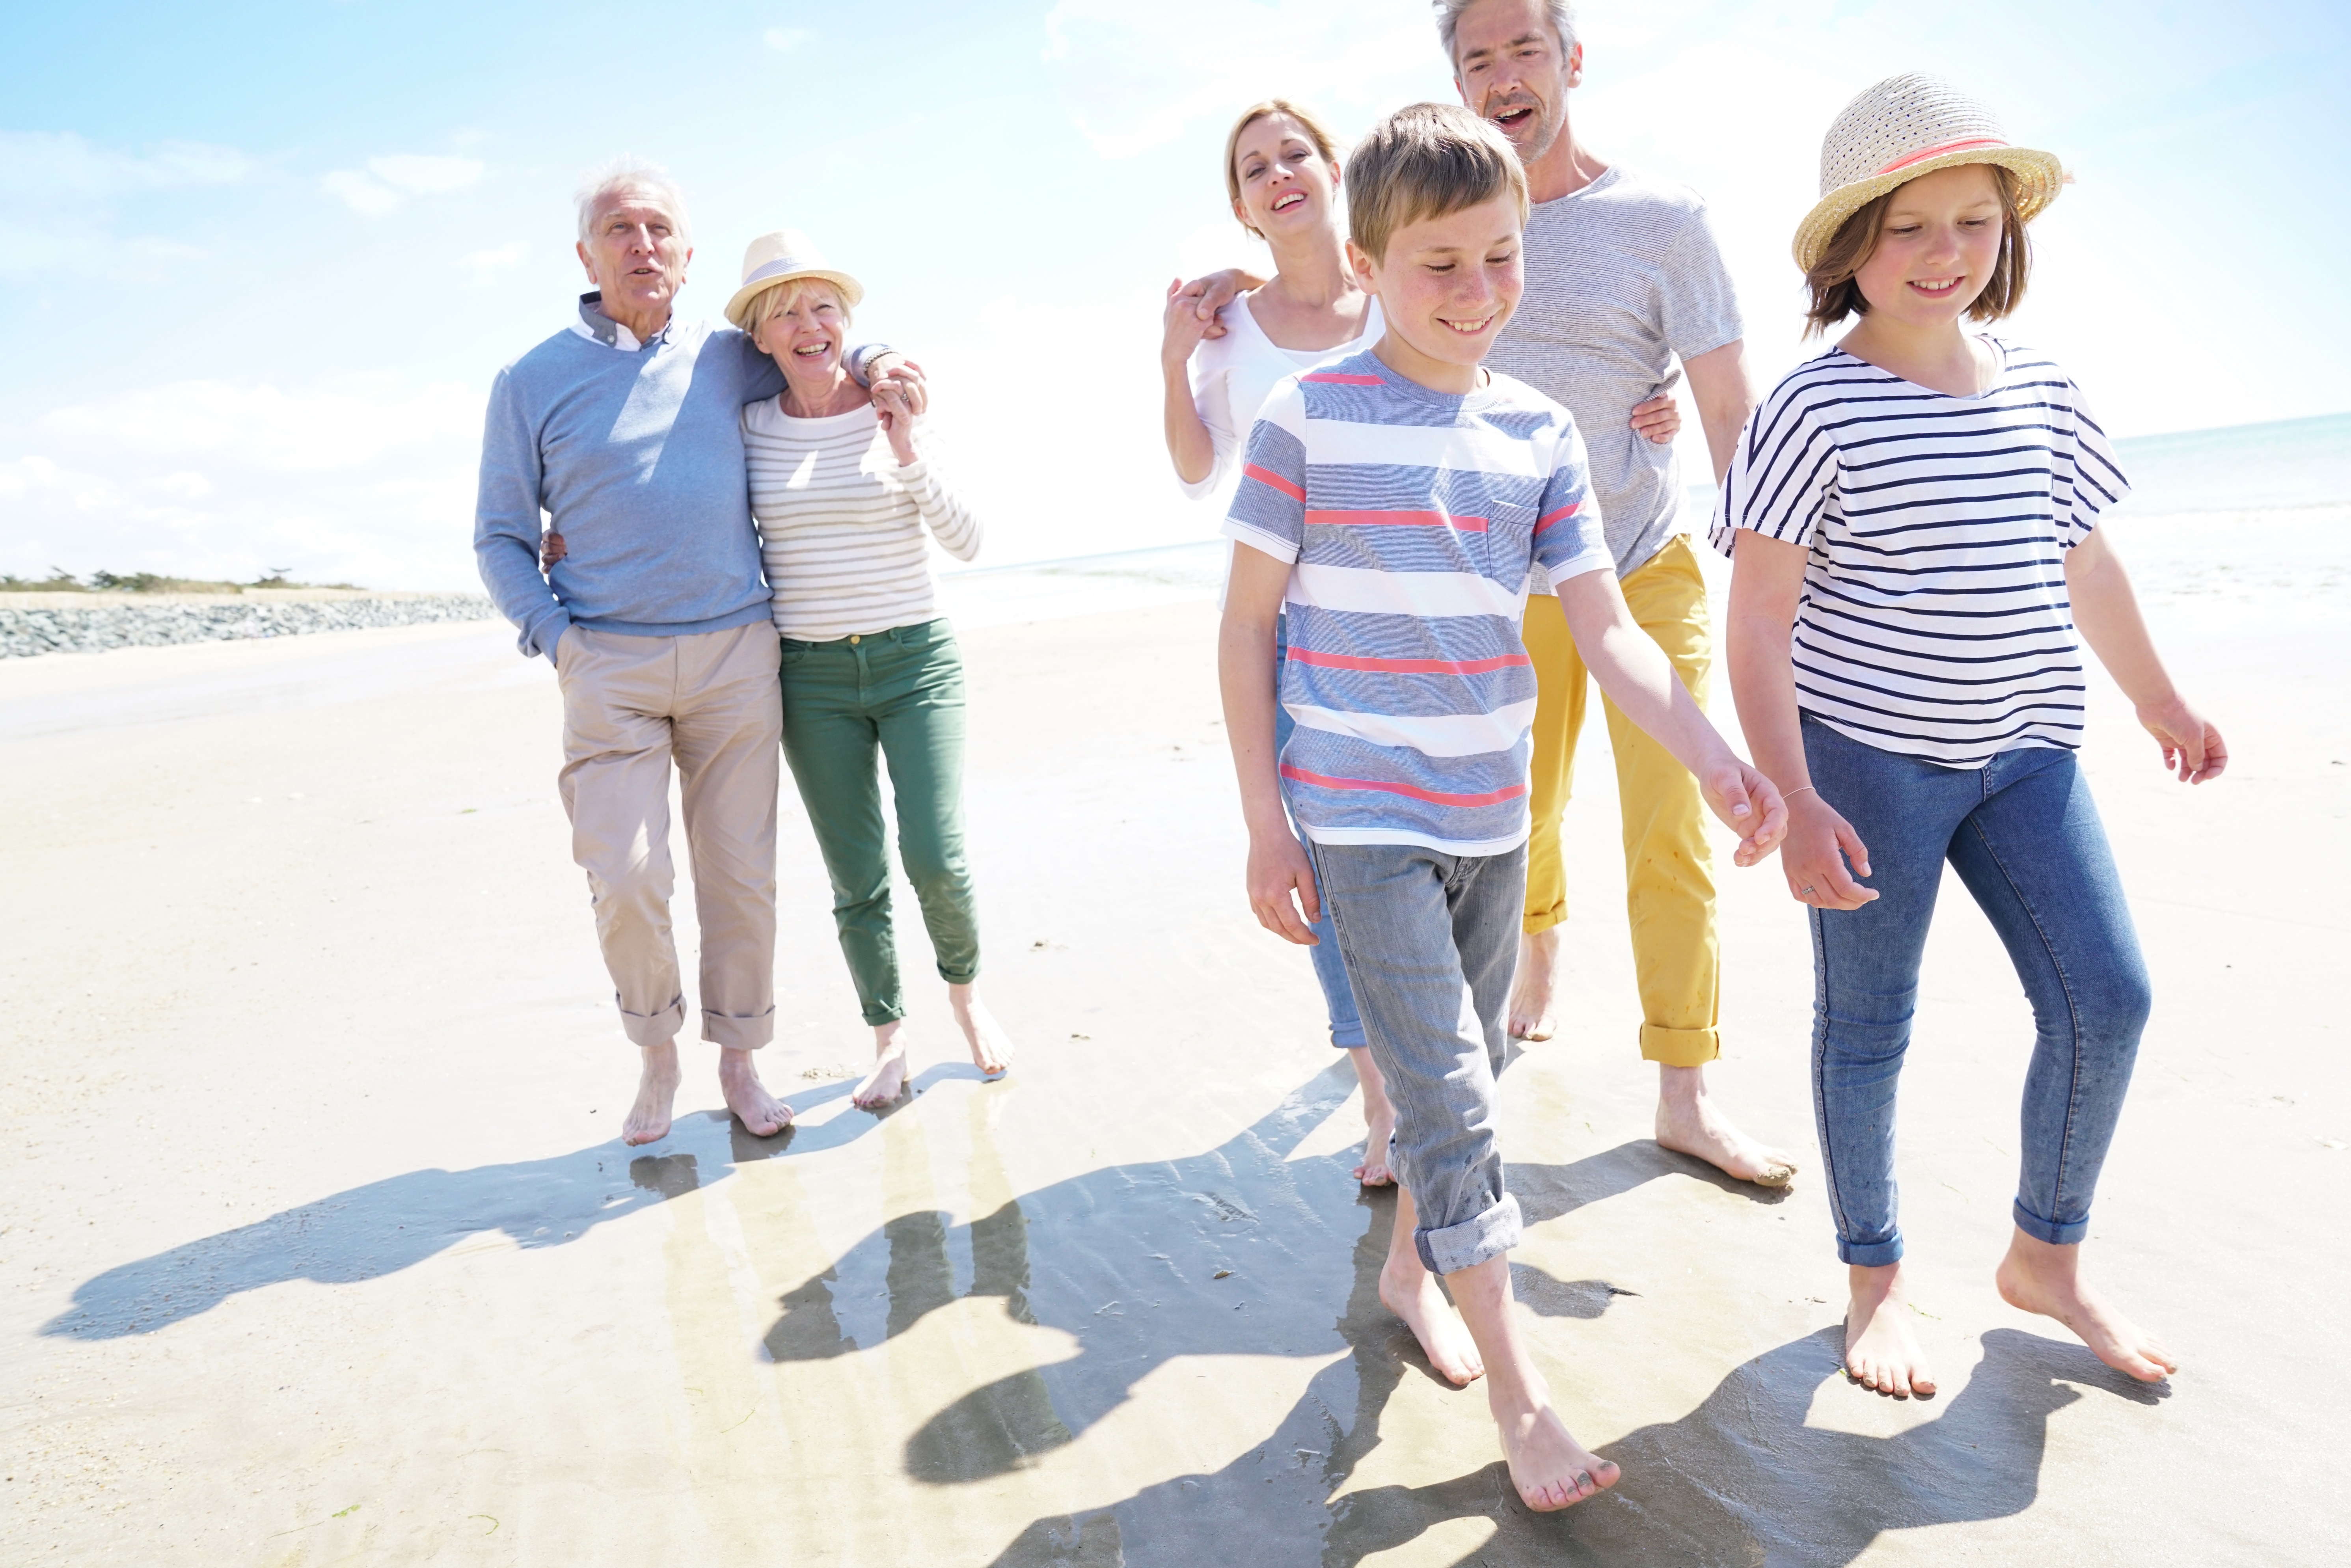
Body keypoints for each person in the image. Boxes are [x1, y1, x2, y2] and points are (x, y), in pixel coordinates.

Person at [1219, 102, 1786, 1511]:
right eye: (1438, 266)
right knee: (1459, 1104)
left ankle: (1416, 1264)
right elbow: (1243, 631)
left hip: (1489, 818)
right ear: (1366, 262)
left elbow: (1607, 632)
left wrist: (1714, 752)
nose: (1476, 296)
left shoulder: (1536, 430)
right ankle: (1525, 1403)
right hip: (1358, 816)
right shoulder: (1308, 420)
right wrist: (1263, 817)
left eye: (1499, 258)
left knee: (1445, 1083)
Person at [1185, 0, 1794, 1190]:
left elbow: (1725, 409)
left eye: (1527, 49)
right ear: (1453, 78)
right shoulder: (1419, 235)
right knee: (1520, 821)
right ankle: (1503, 1009)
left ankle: (1680, 1088)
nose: (1505, 73)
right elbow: (1342, 266)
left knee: (1665, 823)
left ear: (1573, 59)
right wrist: (1236, 277)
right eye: (1479, 57)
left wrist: (1766, 608)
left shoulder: (1655, 227)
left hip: (1626, 549)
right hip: (1472, 589)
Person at [1718, 74, 2220, 1399]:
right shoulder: (1809, 408)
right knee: (1868, 1020)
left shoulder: (2044, 389)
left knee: (2107, 996)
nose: (1944, 254)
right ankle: (1873, 1273)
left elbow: (2087, 563)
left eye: (1972, 224)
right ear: (1847, 250)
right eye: (1908, 228)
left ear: (2009, 235)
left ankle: (2043, 1254)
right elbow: (1758, 618)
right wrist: (1790, 793)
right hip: (1867, 761)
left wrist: (2158, 697)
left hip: (2027, 749)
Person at [475, 159, 920, 1148]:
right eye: (619, 230)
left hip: (735, 655)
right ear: (585, 254)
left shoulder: (732, 356)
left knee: (740, 878)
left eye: (659, 230)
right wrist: (558, 639)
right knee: (627, 877)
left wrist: (882, 355)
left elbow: (820, 344)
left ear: (687, 253)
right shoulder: (529, 380)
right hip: (609, 665)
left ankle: (740, 1060)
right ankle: (657, 1052)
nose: (642, 246)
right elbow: (500, 534)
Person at [732, 231, 1010, 1110]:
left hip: (915, 660)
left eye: (824, 309)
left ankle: (966, 1000)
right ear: (763, 339)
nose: (808, 326)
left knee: (936, 855)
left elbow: (969, 543)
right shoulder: (748, 428)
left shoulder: (895, 402)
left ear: (847, 322)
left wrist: (907, 448)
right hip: (810, 679)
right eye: (786, 314)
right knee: (857, 875)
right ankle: (888, 1039)